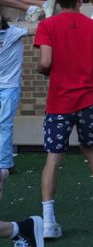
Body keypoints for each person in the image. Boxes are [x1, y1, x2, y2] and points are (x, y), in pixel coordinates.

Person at [34, 0, 93, 239]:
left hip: (59, 102)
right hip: (90, 101)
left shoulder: (47, 25)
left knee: (53, 158)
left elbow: (45, 62)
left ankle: (48, 221)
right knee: (91, 150)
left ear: (59, 1)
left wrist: (41, 68)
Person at [0, 13, 35, 199]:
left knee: (4, 124)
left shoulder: (13, 32)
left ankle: (4, 164)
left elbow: (34, 30)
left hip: (9, 86)